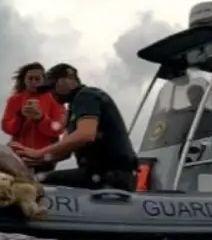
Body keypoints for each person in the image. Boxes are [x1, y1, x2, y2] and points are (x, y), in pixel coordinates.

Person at [12, 63, 139, 191]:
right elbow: (64, 152)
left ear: (70, 78)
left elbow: (86, 135)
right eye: (47, 90)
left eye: (52, 86)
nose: (51, 92)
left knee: (37, 183)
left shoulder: (87, 95)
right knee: (35, 178)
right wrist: (30, 158)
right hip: (96, 173)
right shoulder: (72, 109)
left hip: (113, 174)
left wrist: (39, 153)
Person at [1, 63, 65, 170]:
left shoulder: (55, 99)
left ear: (43, 80)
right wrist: (20, 116)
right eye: (30, 79)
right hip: (19, 155)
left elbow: (59, 128)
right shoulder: (14, 100)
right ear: (24, 80)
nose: (34, 82)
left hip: (45, 156)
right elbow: (7, 127)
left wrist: (41, 119)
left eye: (37, 79)